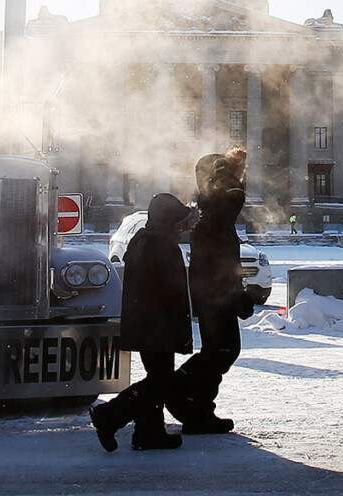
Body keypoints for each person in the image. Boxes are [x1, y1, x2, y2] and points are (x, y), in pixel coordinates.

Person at [89, 193, 196, 452]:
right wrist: (180, 331)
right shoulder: (164, 246)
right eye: (180, 223)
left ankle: (149, 433)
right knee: (160, 382)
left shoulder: (141, 241)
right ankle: (109, 416)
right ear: (170, 221)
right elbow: (173, 294)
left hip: (143, 321)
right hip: (158, 325)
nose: (182, 229)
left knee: (157, 378)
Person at [168, 147, 254, 434]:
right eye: (224, 177)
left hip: (216, 291)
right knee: (222, 350)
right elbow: (233, 202)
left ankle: (198, 407)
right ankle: (181, 392)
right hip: (214, 294)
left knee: (220, 350)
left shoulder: (212, 210)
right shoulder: (213, 211)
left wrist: (237, 291)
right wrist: (231, 293)